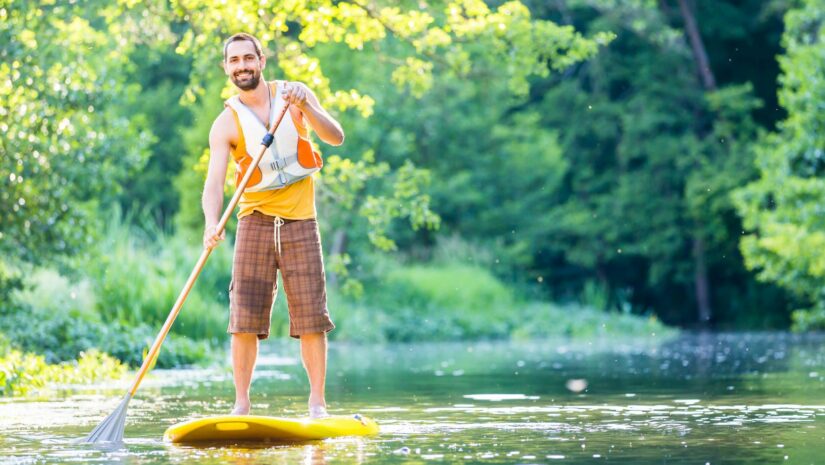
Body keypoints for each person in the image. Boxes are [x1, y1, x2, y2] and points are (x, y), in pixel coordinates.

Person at [201, 32, 344, 418]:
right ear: (226, 68)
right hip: (255, 221)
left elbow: (335, 136)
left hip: (300, 220)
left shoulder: (294, 96)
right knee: (243, 319)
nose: (242, 66)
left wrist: (308, 107)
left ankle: (317, 403)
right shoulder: (224, 123)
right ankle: (242, 404)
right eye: (235, 61)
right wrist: (211, 223)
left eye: (249, 58)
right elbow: (213, 183)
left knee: (311, 317)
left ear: (262, 61)